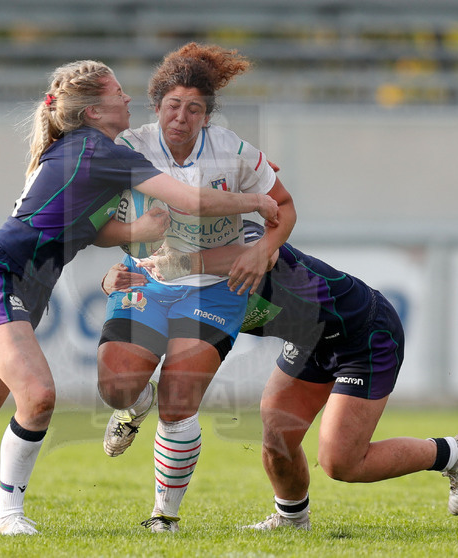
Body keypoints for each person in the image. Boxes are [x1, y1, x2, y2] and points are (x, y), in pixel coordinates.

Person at [0, 59, 279, 536]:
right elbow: (190, 200)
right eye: (117, 92)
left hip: (13, 282)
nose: (127, 98)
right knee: (39, 396)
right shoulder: (99, 150)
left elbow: (88, 229)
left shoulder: (83, 149)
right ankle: (9, 517)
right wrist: (256, 199)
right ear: (93, 111)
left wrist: (135, 229)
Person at [105, 219, 458, 531]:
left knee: (341, 462)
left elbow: (264, 253)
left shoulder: (237, 238)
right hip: (309, 340)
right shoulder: (167, 271)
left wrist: (187, 263)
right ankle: (292, 520)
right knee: (277, 435)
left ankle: (457, 453)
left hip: (364, 333)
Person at [93, 43, 296, 533]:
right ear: (156, 105)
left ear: (207, 115)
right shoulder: (128, 147)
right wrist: (112, 266)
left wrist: (262, 250)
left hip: (215, 288)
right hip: (147, 278)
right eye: (172, 106)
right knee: (116, 387)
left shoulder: (235, 152)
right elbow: (93, 222)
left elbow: (284, 207)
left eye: (194, 109)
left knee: (179, 398)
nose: (181, 118)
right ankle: (134, 405)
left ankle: (164, 515)